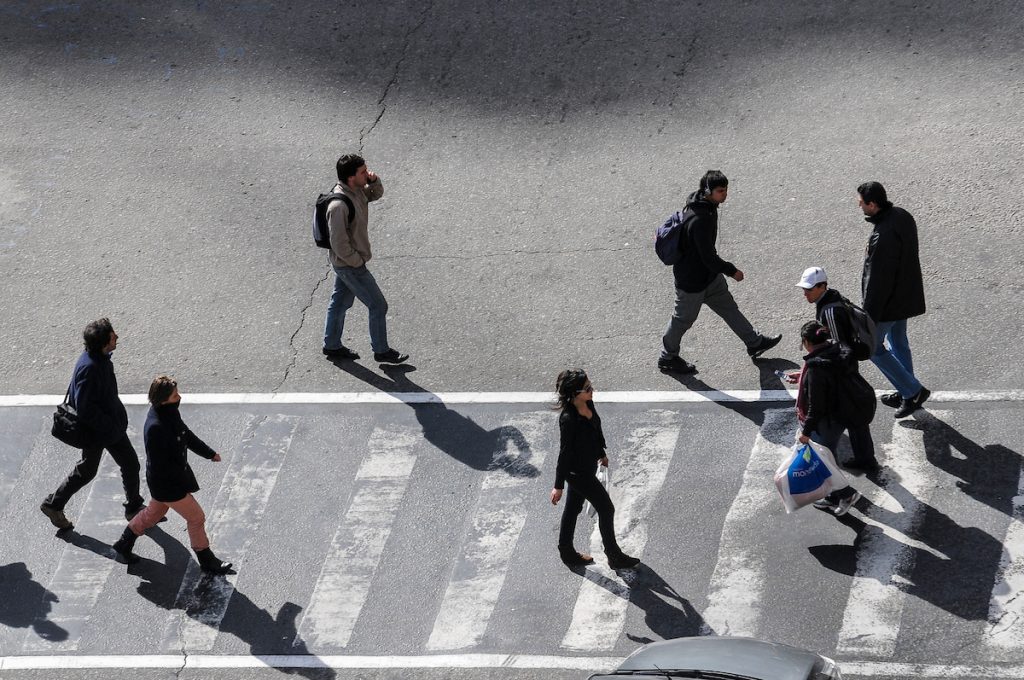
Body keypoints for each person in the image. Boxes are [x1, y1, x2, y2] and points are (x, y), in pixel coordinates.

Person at [659, 170, 781, 374]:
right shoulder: (700, 220)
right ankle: (667, 357)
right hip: (692, 282)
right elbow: (707, 256)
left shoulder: (704, 204)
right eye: (720, 191)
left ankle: (754, 342)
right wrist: (732, 271)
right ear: (708, 191)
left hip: (709, 277)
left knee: (729, 308)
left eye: (726, 190)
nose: (725, 194)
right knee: (682, 320)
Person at [111, 376, 232, 574]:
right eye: (175, 395)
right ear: (164, 399)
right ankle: (207, 560)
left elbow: (186, 435)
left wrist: (209, 453)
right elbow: (161, 466)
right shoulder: (157, 427)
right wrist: (178, 489)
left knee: (153, 514)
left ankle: (124, 543)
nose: (179, 397)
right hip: (169, 486)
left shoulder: (168, 414)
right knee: (196, 517)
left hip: (165, 485)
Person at [40, 319, 145, 531]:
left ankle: (54, 504)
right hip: (103, 431)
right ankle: (133, 508)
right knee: (129, 464)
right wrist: (111, 426)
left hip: (103, 429)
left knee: (89, 470)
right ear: (104, 343)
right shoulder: (92, 368)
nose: (117, 336)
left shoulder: (97, 359)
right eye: (113, 335)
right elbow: (86, 408)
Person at [322, 153, 408, 364]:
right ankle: (381, 351)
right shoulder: (339, 206)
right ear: (351, 178)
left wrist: (373, 180)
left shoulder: (357, 191)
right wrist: (357, 262)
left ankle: (332, 345)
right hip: (350, 265)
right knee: (378, 305)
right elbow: (339, 244)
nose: (366, 173)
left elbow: (375, 194)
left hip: (348, 263)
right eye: (363, 172)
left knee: (340, 303)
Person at [550, 370, 639, 569]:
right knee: (606, 508)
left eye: (591, 386)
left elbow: (595, 429)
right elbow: (564, 453)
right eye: (588, 388)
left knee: (573, 509)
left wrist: (601, 452)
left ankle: (566, 551)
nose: (592, 390)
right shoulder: (568, 419)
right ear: (575, 393)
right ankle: (613, 555)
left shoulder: (588, 403)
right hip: (577, 473)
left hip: (588, 467)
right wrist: (558, 486)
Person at [794, 269, 880, 472]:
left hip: (841, 371)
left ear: (822, 286)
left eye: (809, 289)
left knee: (850, 414)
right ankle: (866, 459)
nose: (805, 294)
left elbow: (837, 348)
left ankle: (864, 461)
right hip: (842, 369)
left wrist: (819, 372)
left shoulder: (829, 311)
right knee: (855, 418)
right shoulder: (830, 300)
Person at [858, 181, 929, 418]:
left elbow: (878, 281)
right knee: (898, 342)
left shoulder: (883, 236)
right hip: (905, 295)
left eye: (862, 202)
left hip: (889, 303)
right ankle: (906, 389)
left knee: (874, 347)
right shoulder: (902, 215)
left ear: (873, 204)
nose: (860, 205)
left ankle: (912, 391)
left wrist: (867, 316)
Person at [795, 321, 865, 516]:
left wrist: (806, 432)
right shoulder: (837, 352)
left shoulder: (816, 368)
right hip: (841, 414)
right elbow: (832, 378)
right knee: (829, 456)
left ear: (807, 341)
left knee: (823, 461)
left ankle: (846, 494)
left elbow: (816, 407)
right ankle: (833, 496)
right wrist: (803, 375)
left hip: (826, 422)